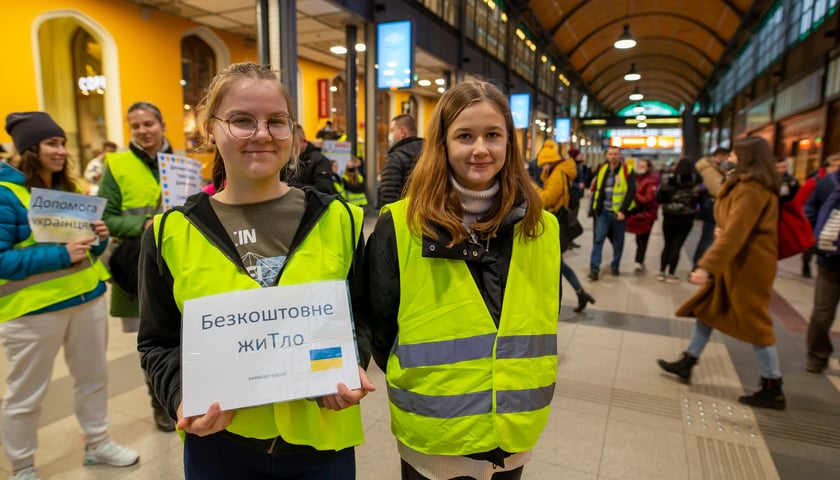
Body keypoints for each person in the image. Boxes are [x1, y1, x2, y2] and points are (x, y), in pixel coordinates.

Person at [137, 62, 374, 480]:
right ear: (210, 128)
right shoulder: (170, 232)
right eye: (242, 120)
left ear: (293, 132)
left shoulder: (339, 219)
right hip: (221, 446)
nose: (262, 134)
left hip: (321, 442)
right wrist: (179, 395)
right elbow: (157, 341)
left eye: (276, 121)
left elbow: (365, 316)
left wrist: (351, 364)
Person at [366, 80, 560, 480]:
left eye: (493, 135)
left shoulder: (542, 227)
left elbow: (544, 313)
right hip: (435, 435)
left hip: (514, 430)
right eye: (464, 136)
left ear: (510, 141)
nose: (480, 149)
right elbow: (382, 330)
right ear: (442, 142)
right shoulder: (401, 226)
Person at [0, 112, 139, 480]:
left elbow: (89, 249)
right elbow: (1, 259)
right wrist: (62, 255)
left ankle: (97, 443)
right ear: (30, 149)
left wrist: (100, 236)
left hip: (87, 299)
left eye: (62, 143)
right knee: (25, 394)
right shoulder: (5, 194)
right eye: (51, 143)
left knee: (93, 379)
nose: (60, 151)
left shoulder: (67, 192)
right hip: (31, 311)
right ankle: (23, 466)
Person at [658, 136, 785, 410]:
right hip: (737, 262)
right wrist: (722, 229)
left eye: (736, 154)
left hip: (749, 266)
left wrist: (706, 266)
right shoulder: (745, 184)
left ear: (748, 157)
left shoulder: (752, 188)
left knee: (756, 324)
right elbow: (734, 226)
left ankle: (773, 386)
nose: (731, 157)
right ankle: (689, 360)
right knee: (707, 310)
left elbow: (738, 232)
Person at [98, 101, 176, 432]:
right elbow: (104, 217)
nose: (143, 131)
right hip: (138, 267)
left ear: (162, 125)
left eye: (149, 124)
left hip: (179, 262)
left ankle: (186, 392)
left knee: (189, 331)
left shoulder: (181, 163)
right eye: (136, 126)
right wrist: (144, 224)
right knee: (154, 337)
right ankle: (159, 401)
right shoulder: (115, 165)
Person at [536, 139, 595, 312]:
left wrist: (533, 188)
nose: (543, 168)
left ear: (549, 162)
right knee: (557, 264)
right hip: (555, 222)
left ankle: (572, 295)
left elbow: (546, 199)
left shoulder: (556, 174)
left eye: (544, 164)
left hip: (555, 223)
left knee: (556, 264)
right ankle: (580, 293)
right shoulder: (558, 171)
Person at [803, 151, 840, 374]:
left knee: (822, 311)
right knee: (822, 312)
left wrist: (816, 238)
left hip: (829, 256)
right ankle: (817, 355)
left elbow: (809, 210)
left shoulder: (829, 181)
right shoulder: (829, 182)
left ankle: (816, 357)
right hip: (830, 259)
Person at [588, 146, 636, 279]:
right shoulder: (602, 169)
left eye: (615, 154)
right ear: (607, 155)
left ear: (620, 155)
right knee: (598, 240)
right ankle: (594, 269)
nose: (613, 156)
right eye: (610, 154)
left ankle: (615, 265)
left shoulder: (628, 170)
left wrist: (623, 211)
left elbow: (631, 192)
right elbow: (597, 189)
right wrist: (594, 209)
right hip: (603, 212)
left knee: (618, 241)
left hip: (618, 214)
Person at [655, 157, 701, 283]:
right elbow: (702, 200)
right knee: (677, 246)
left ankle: (661, 272)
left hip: (669, 216)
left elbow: (659, 197)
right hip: (687, 217)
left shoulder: (670, 179)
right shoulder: (698, 181)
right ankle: (671, 274)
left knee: (667, 245)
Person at [797, 154, 840, 277]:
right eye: (834, 165)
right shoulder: (818, 182)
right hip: (819, 225)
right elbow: (804, 202)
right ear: (827, 167)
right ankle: (806, 264)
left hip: (832, 231)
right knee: (810, 250)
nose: (836, 168)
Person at [692, 147, 731, 270]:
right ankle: (698, 266)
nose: (727, 160)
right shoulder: (709, 169)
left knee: (708, 236)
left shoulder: (710, 166)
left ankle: (700, 265)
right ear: (720, 156)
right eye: (726, 157)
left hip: (709, 205)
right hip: (711, 206)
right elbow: (716, 190)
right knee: (708, 237)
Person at [378, 114, 424, 207]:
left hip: (404, 217)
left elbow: (388, 198)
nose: (390, 135)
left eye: (392, 130)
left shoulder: (395, 158)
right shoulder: (432, 154)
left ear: (403, 132)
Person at [282, 124, 338, 195]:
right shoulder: (287, 159)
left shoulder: (319, 160)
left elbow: (325, 189)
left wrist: (289, 187)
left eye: (294, 145)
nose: (290, 149)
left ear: (304, 141)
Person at [625, 158, 659, 272]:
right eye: (639, 166)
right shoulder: (637, 178)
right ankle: (639, 259)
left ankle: (639, 260)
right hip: (638, 212)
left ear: (649, 167)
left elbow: (648, 199)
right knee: (639, 237)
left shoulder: (652, 180)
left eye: (643, 166)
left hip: (647, 214)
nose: (640, 168)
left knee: (643, 238)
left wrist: (635, 193)